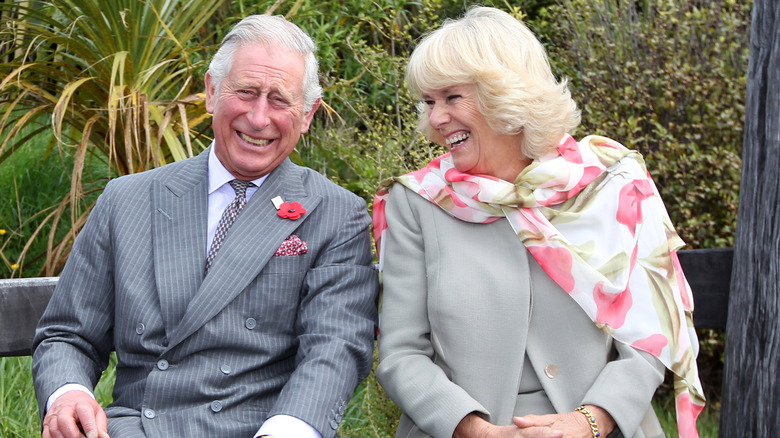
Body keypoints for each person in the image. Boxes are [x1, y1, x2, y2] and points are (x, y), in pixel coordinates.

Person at [32, 14, 379, 438]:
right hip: (138, 428)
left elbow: (335, 347)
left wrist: (290, 429)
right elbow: (68, 334)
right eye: (246, 92)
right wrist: (68, 394)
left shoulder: (336, 213)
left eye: (279, 100)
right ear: (212, 92)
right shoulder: (128, 200)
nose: (258, 117)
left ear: (307, 114)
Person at [373, 7, 705, 438]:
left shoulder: (612, 183)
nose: (436, 119)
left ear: (504, 94)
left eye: (452, 98)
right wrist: (472, 429)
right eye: (429, 102)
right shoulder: (416, 202)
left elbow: (651, 337)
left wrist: (588, 422)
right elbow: (401, 354)